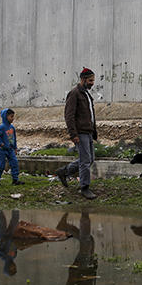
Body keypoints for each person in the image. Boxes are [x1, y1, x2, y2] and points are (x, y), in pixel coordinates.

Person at [56, 68, 98, 199]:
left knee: (90, 159)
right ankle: (84, 188)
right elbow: (69, 116)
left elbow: (90, 114)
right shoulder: (74, 94)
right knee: (85, 161)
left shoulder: (86, 94)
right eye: (90, 80)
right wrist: (73, 134)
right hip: (80, 133)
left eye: (93, 81)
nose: (92, 83)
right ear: (83, 79)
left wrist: (94, 131)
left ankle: (64, 171)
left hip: (88, 132)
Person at [58, 211, 97, 285]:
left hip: (80, 269)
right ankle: (66, 226)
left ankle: (70, 225)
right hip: (86, 269)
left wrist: (75, 272)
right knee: (89, 240)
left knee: (86, 241)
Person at [0, 108, 24, 186]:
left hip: (10, 150)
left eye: (13, 117)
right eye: (11, 117)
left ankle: (15, 180)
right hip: (2, 150)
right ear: (5, 117)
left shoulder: (12, 128)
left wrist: (15, 148)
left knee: (14, 163)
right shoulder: (2, 127)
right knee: (1, 165)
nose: (13, 118)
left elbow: (14, 138)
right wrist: (1, 144)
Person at [0, 209, 20, 276]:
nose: (13, 267)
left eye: (11, 269)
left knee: (3, 222)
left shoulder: (3, 257)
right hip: (11, 236)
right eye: (14, 268)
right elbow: (15, 247)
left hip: (4, 235)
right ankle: (16, 208)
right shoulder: (14, 256)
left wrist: (3, 241)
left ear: (7, 267)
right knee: (15, 221)